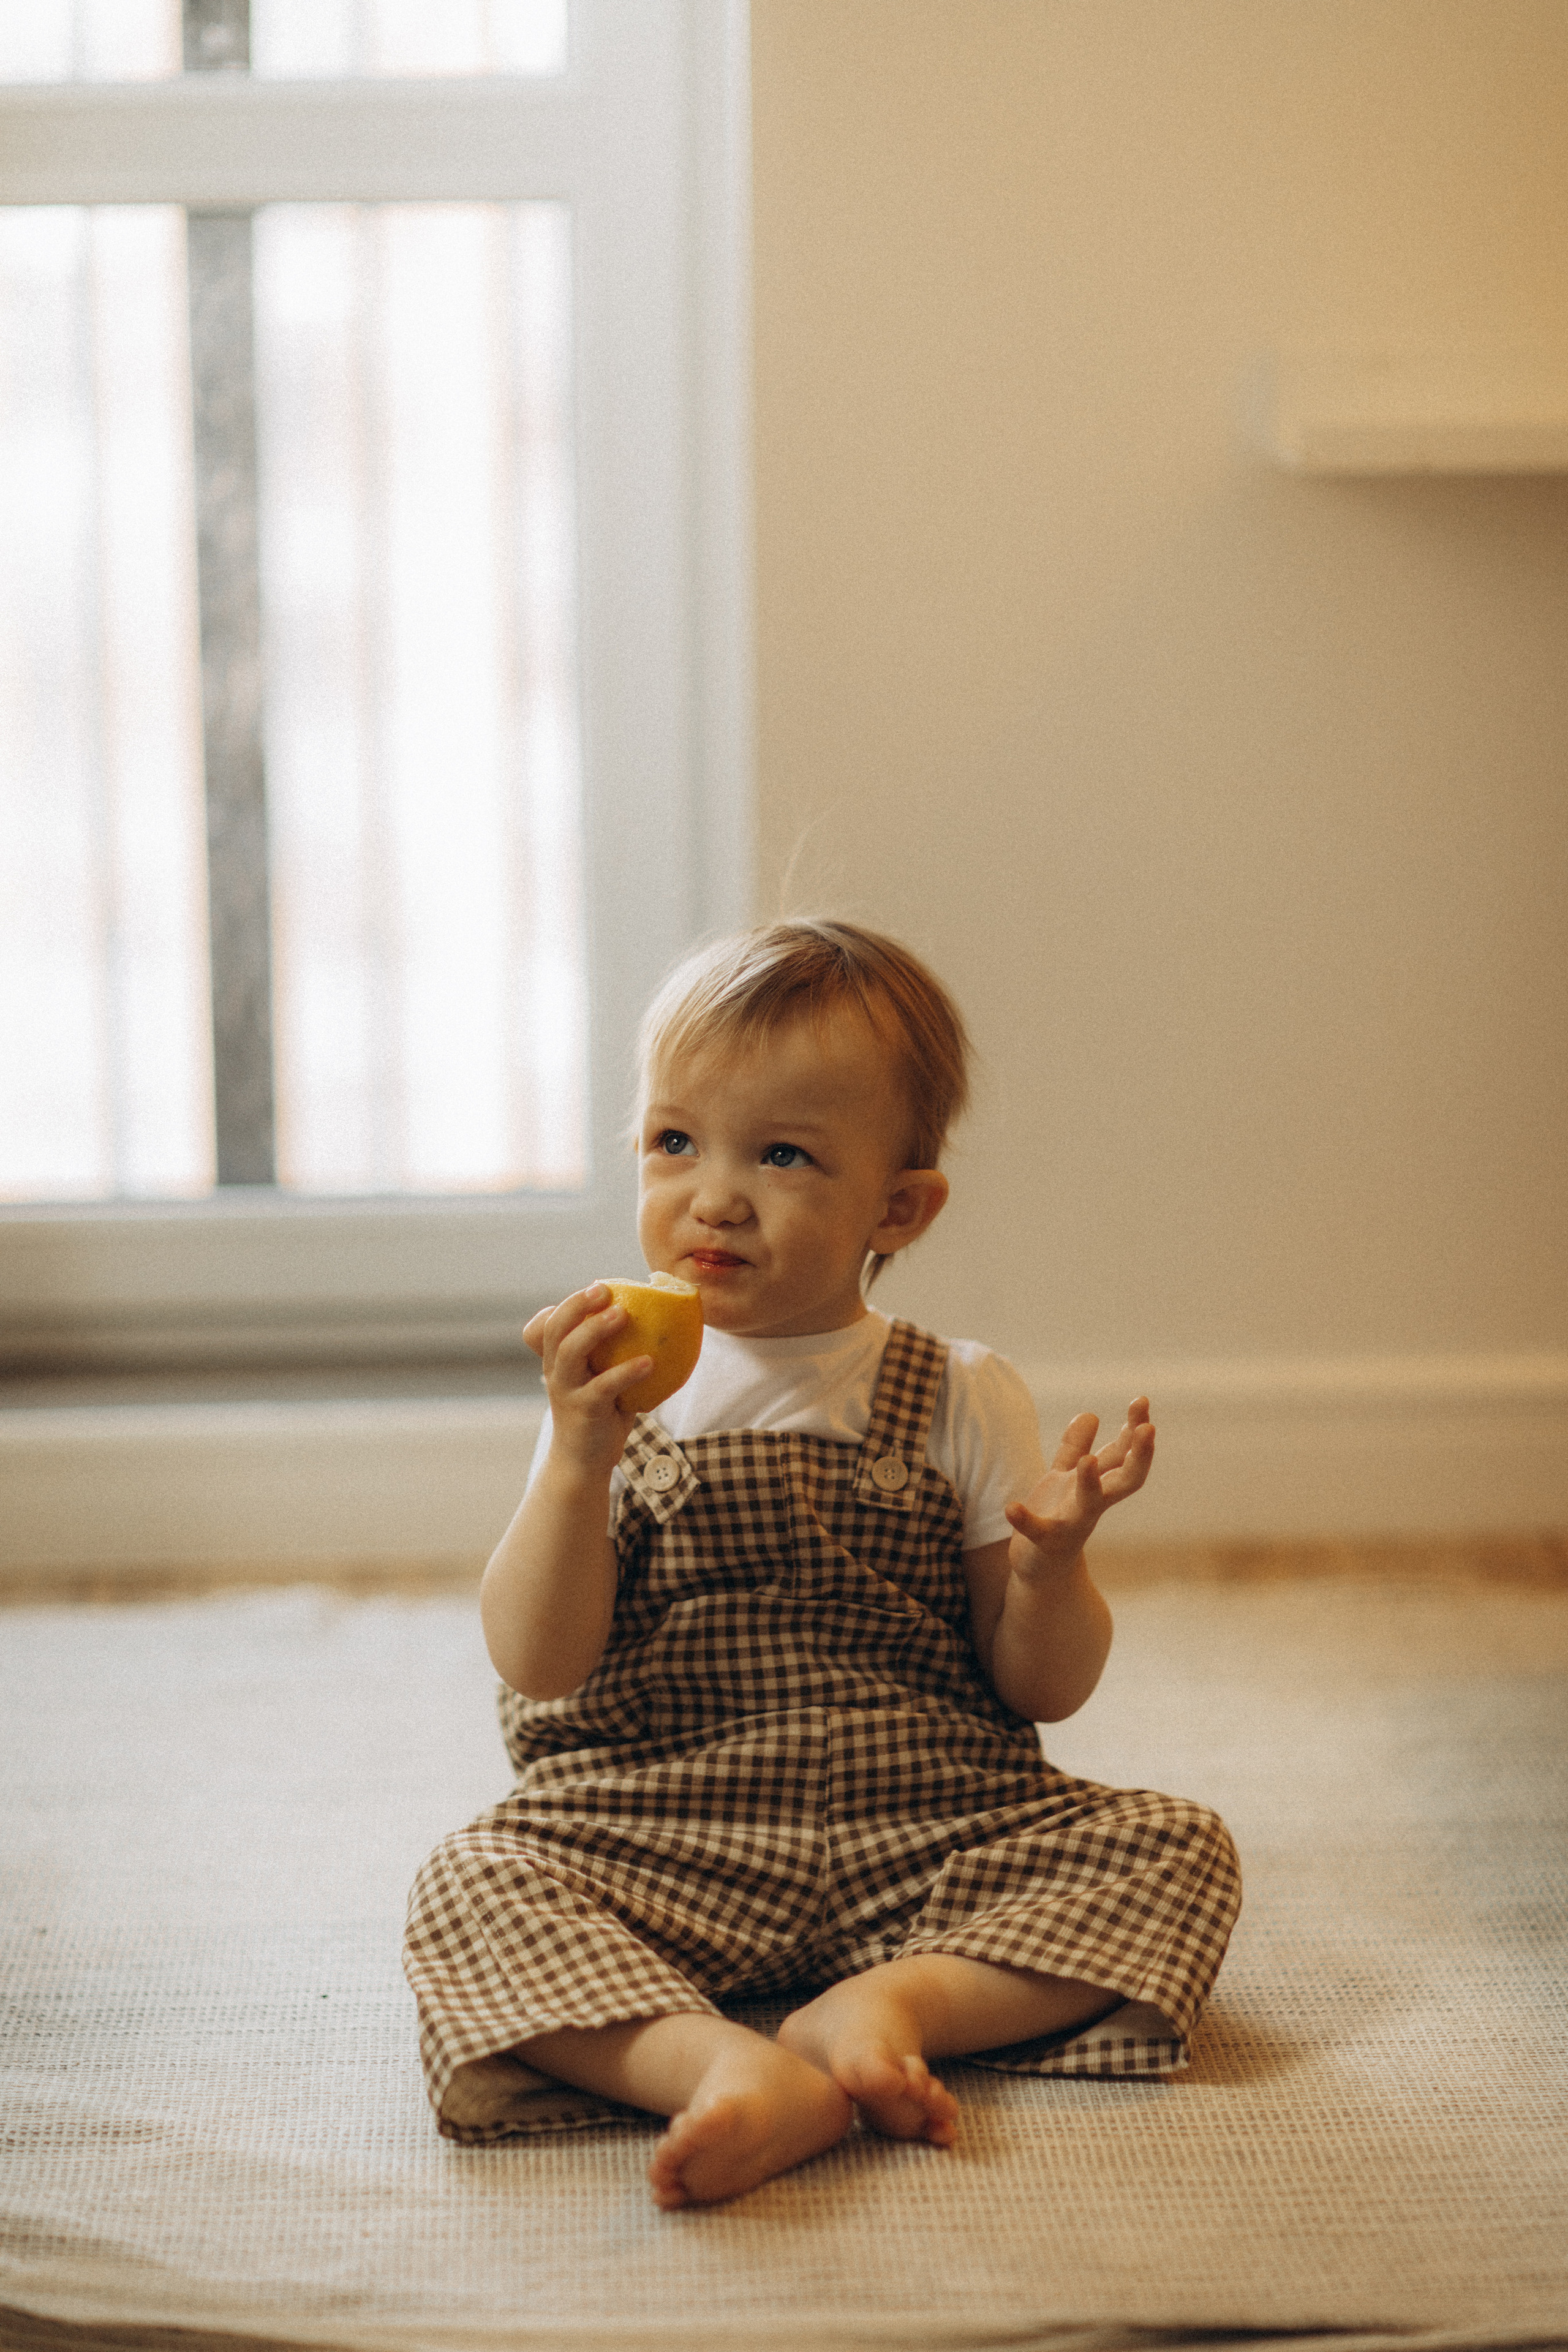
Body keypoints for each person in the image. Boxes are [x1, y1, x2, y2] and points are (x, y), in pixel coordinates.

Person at [404, 919, 1241, 2210]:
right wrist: (577, 1457)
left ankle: (877, 2008)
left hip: (922, 1817)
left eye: (781, 1154)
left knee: (1176, 1848)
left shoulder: (959, 1390)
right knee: (471, 1886)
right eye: (674, 1141)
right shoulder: (615, 1387)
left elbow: (1038, 1691)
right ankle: (723, 2069)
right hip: (661, 1815)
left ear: (894, 1208)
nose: (714, 1195)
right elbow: (538, 1661)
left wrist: (1050, 1567)